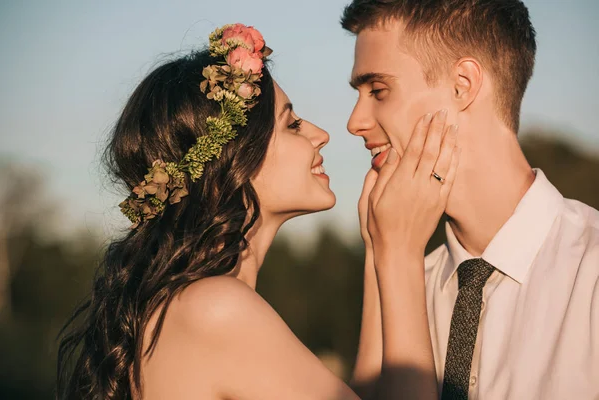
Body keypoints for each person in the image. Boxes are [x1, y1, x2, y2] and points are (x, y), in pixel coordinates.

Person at [56, 23, 459, 400]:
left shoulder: (190, 304)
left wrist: (377, 249)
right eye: (292, 124)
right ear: (235, 160)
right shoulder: (215, 308)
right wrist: (403, 255)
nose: (321, 134)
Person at [341, 1, 599, 399]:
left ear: (462, 84)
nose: (355, 121)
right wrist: (384, 255)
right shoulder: (406, 279)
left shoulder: (591, 272)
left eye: (378, 90)